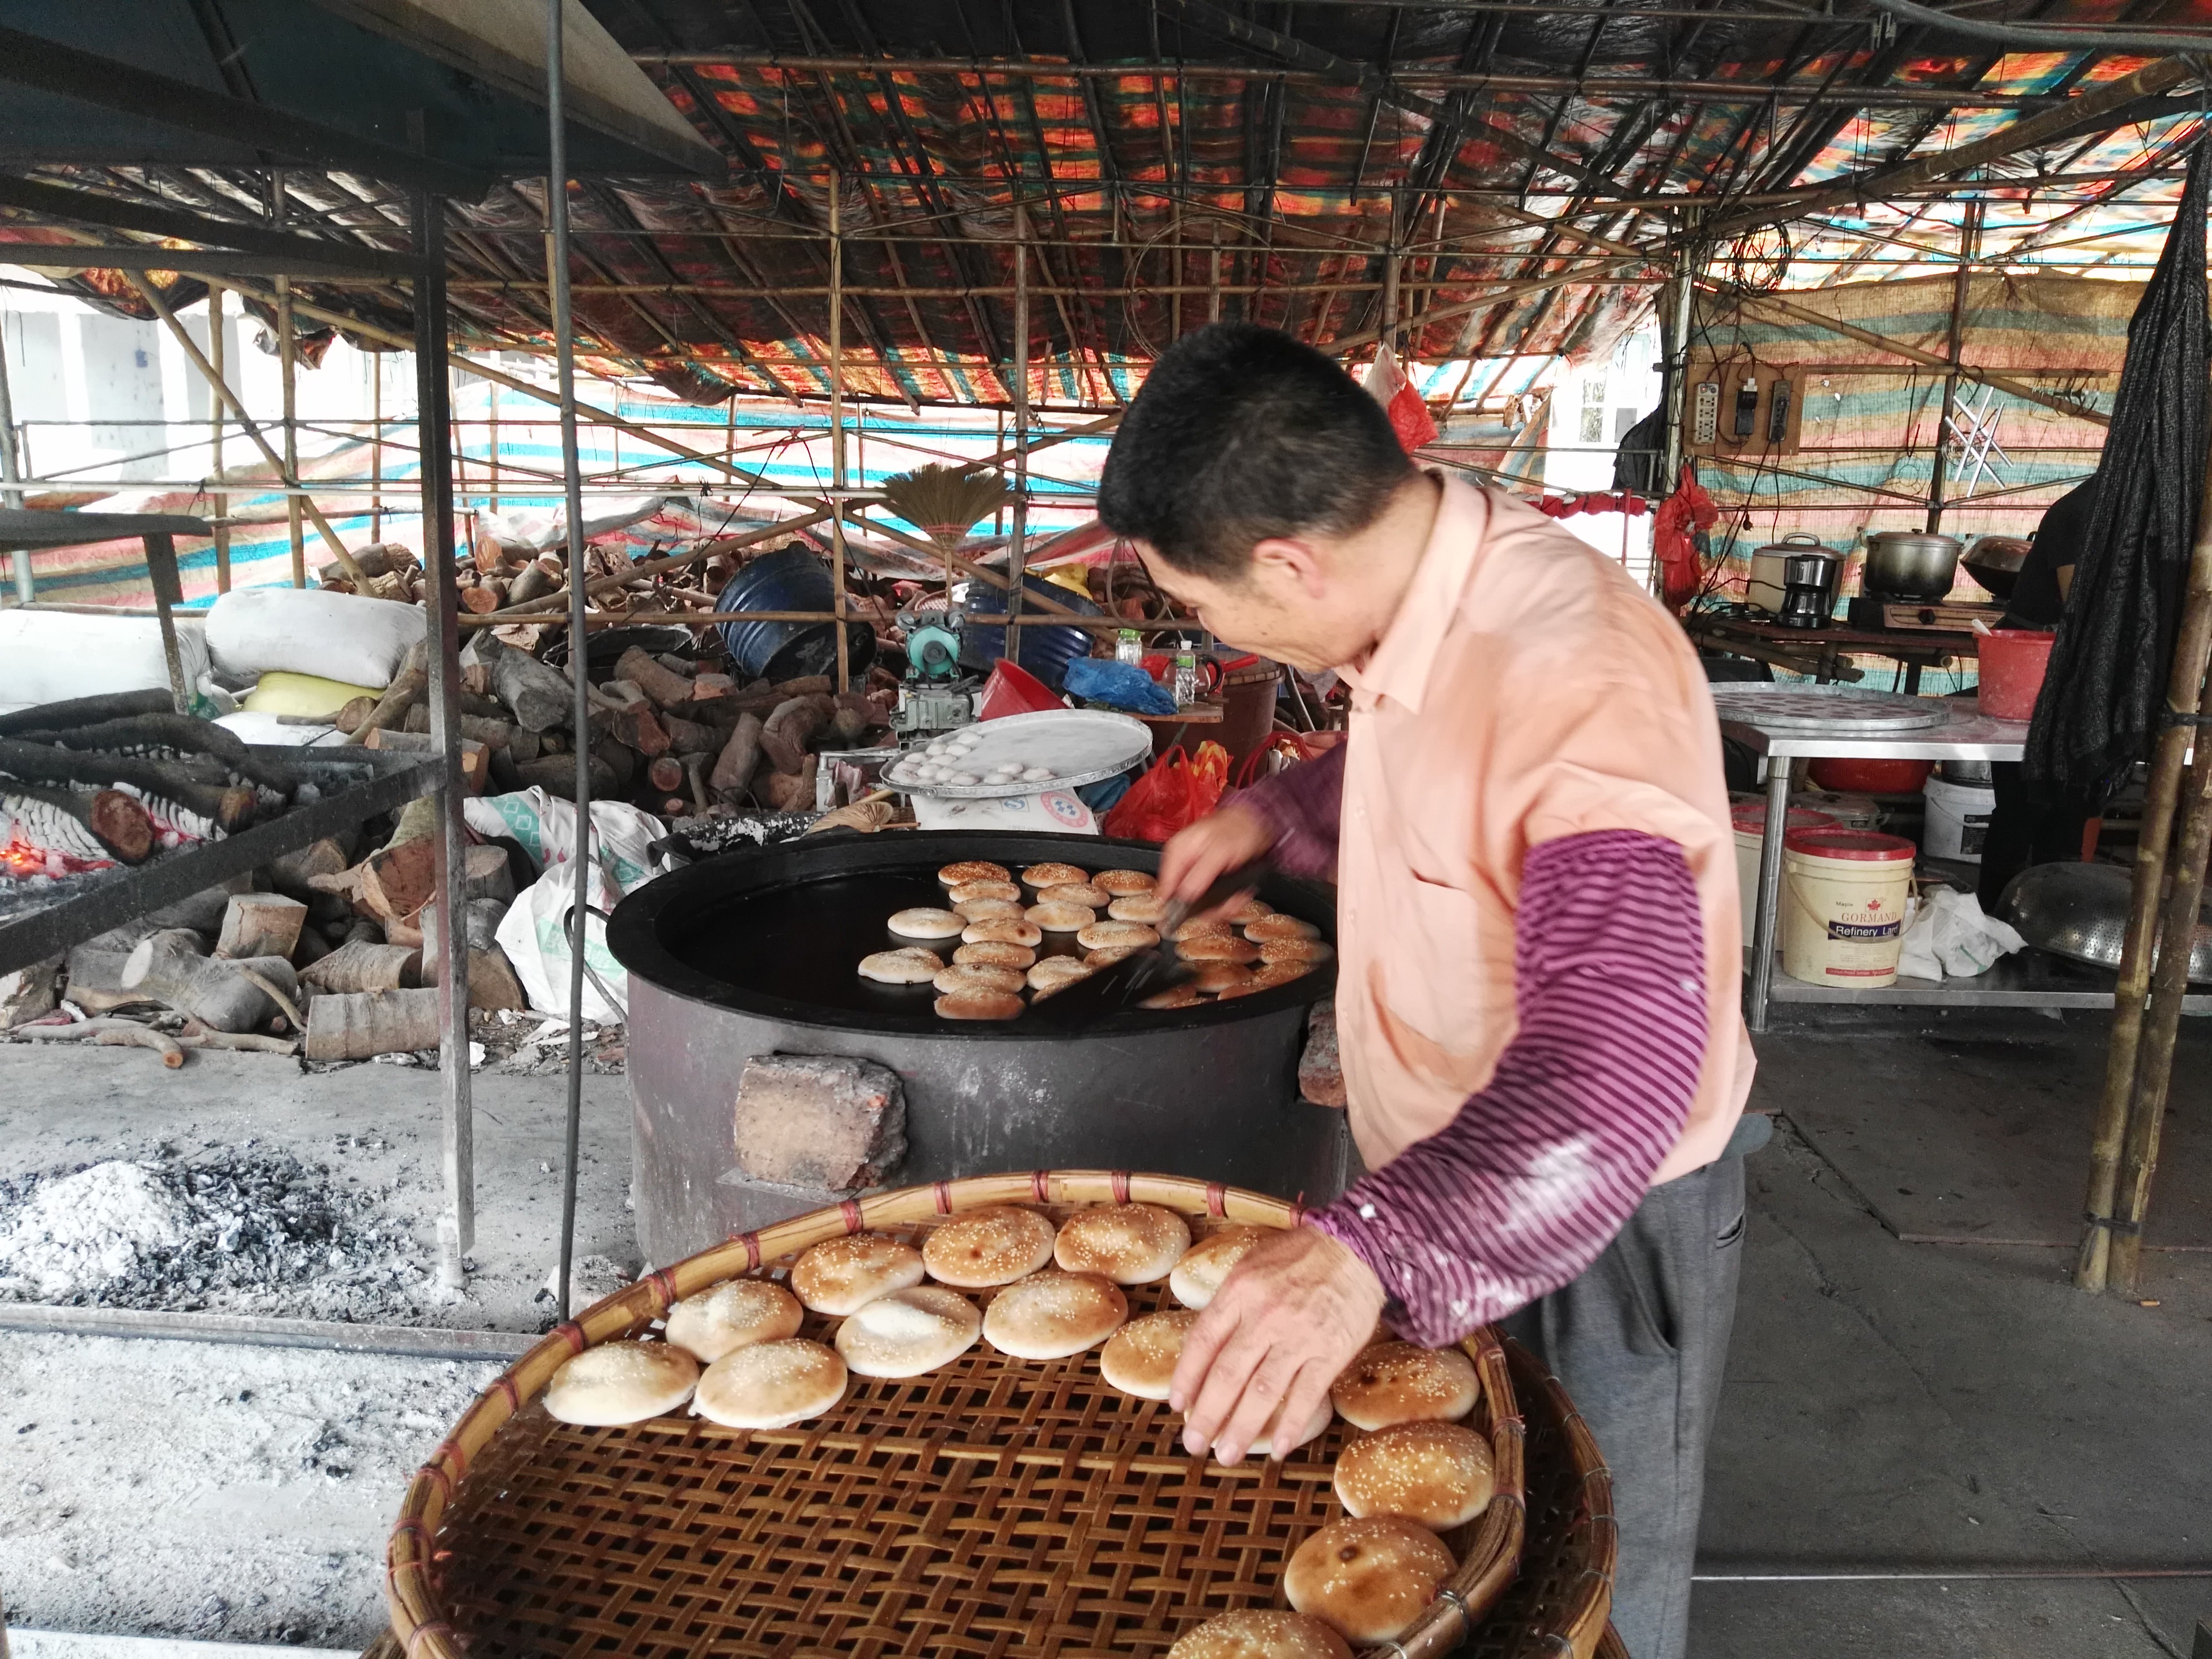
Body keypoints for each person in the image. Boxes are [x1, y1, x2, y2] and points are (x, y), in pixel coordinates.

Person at [1096, 323, 1759, 1659]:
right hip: (1448, 1184)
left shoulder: (1578, 673)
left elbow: (1616, 1070)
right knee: (1441, 1558)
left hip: (1592, 1211)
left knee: (1580, 1578)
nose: (1209, 630)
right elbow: (1434, 749)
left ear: (1289, 560)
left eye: (1203, 603)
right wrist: (1284, 811)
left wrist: (1368, 1251)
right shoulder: (1429, 595)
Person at [1978, 476, 2100, 907]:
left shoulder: (2131, 515)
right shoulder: (2082, 512)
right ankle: (1992, 920)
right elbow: (2080, 603)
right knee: (2021, 807)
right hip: (2030, 668)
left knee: (2070, 813)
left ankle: (2051, 924)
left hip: (2079, 671)